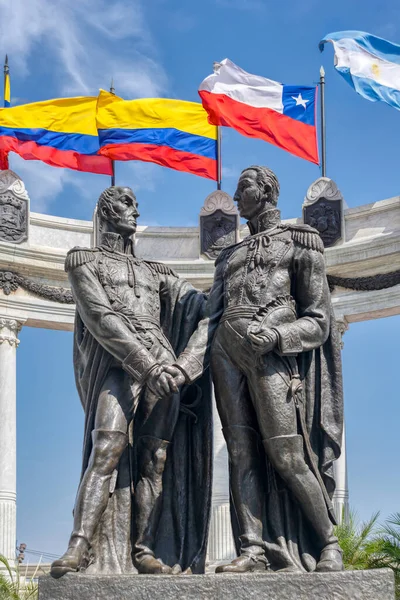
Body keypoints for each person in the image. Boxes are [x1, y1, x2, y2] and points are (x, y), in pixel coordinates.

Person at [171, 166, 344, 574]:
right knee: (241, 454)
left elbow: (319, 320)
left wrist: (280, 337)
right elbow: (209, 323)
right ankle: (252, 548)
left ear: (266, 191)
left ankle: (329, 544)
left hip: (270, 354)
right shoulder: (227, 256)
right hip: (225, 355)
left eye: (244, 185)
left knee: (287, 452)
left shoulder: (301, 241)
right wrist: (184, 367)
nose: (236, 193)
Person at [51, 186, 212, 578]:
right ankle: (79, 545)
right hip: (122, 364)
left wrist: (185, 363)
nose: (135, 212)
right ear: (104, 211)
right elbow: (100, 317)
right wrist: (146, 365)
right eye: (125, 204)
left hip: (163, 364)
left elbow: (204, 309)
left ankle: (144, 549)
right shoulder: (83, 260)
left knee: (155, 460)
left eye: (137, 205)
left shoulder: (158, 273)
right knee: (105, 446)